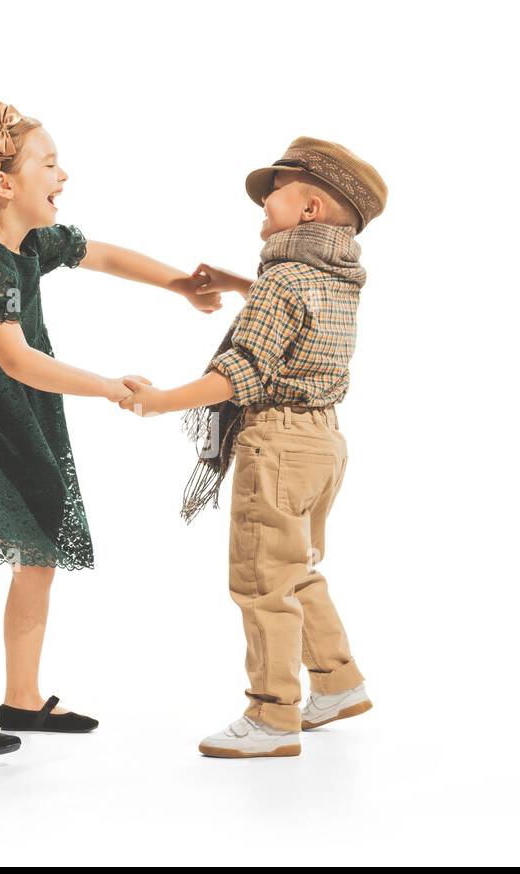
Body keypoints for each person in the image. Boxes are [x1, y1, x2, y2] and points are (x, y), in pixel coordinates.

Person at [0, 102, 221, 761]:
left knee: (40, 552)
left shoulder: (27, 245)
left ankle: (23, 694)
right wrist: (107, 385)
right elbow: (17, 358)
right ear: (3, 183)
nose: (64, 175)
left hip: (11, 408)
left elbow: (100, 253)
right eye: (49, 164)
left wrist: (180, 285)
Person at [119, 137, 387, 757]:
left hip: (277, 442)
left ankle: (271, 716)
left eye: (273, 197)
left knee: (262, 580)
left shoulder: (283, 281)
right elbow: (297, 312)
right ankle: (338, 684)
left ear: (310, 209)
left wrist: (160, 400)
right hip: (324, 443)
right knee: (297, 570)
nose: (262, 209)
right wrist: (244, 284)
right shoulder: (340, 276)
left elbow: (241, 372)